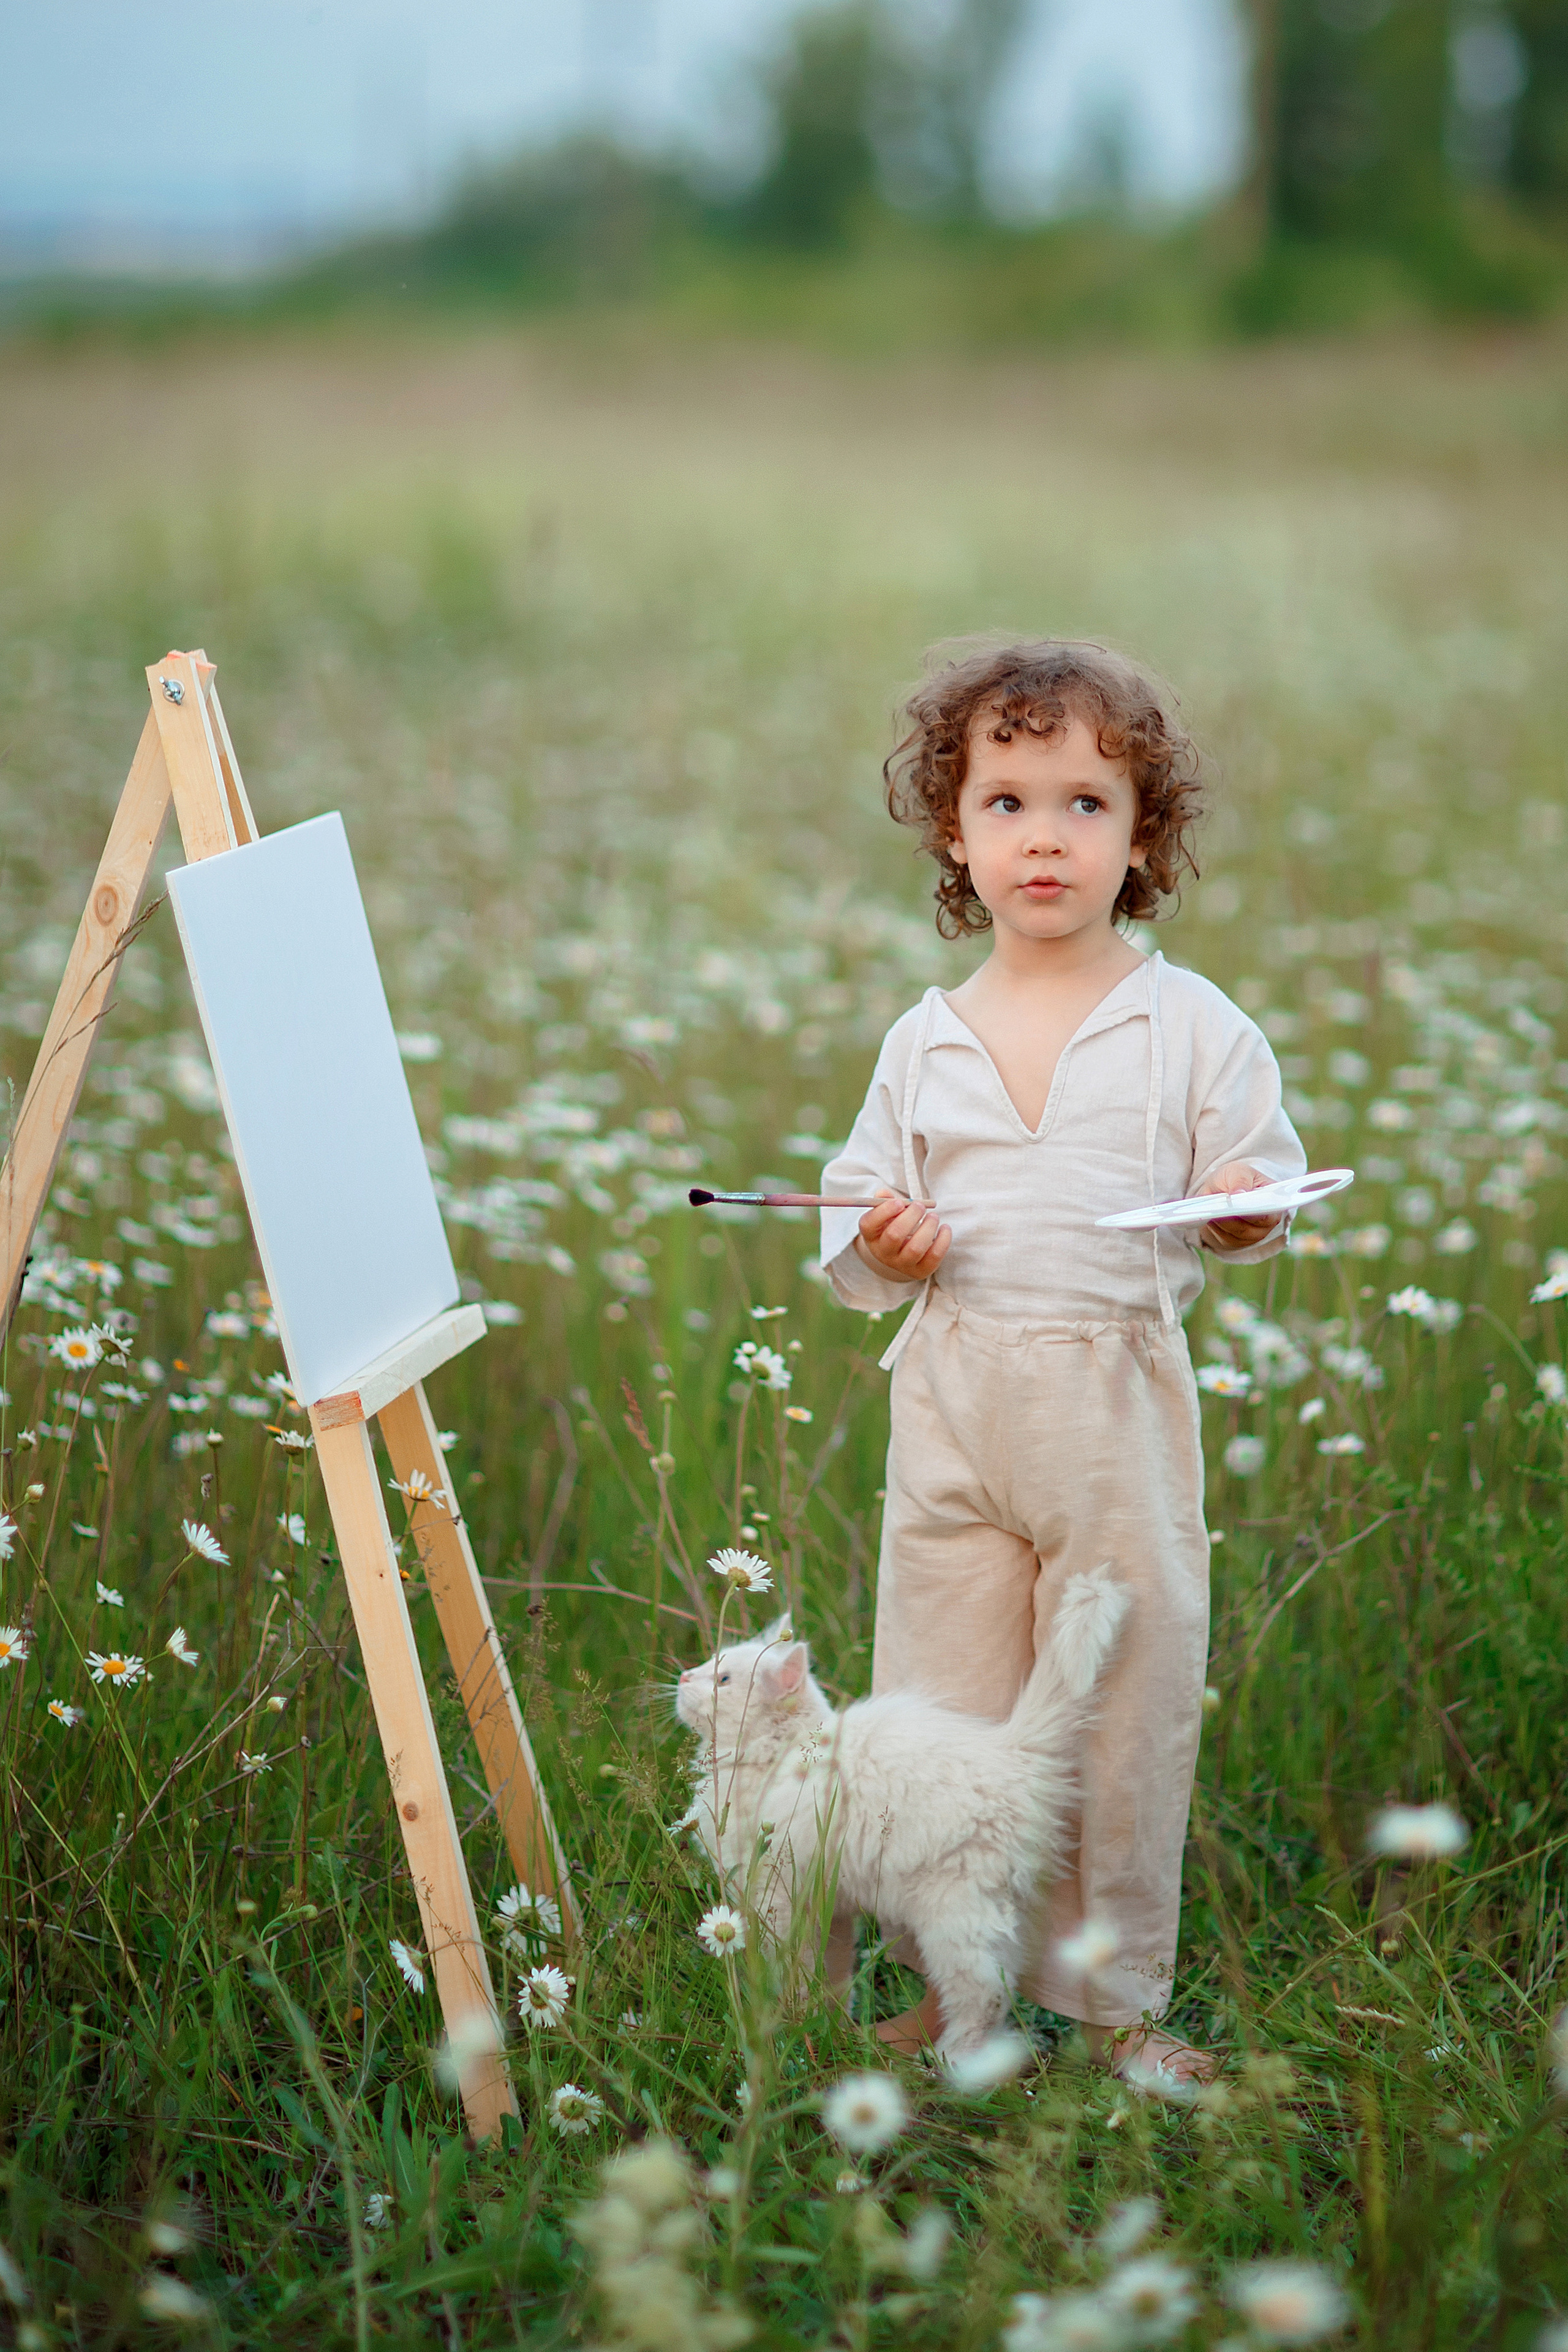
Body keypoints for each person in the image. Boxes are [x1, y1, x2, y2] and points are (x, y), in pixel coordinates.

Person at [818, 638, 1305, 2086]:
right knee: (940, 1698)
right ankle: (942, 1984)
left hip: (1109, 1400)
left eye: (1086, 803)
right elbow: (856, 1204)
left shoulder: (1191, 1026)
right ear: (953, 836)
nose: (1044, 834)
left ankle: (1112, 2002)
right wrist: (885, 1247)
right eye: (1007, 801)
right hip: (952, 1399)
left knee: (1120, 1697)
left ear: (1140, 833)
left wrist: (1238, 1209)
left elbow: (1255, 1193)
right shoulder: (926, 1038)